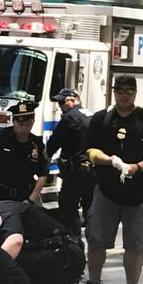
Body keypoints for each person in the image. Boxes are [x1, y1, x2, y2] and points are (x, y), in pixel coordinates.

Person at [82, 75, 143, 284]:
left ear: (135, 93)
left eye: (128, 90)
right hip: (107, 191)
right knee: (96, 239)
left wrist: (137, 167)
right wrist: (108, 160)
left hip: (141, 193)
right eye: (119, 90)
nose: (123, 94)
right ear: (113, 92)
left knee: (135, 244)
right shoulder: (102, 119)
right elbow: (89, 149)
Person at [0, 101, 49, 204]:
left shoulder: (36, 144)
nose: (24, 128)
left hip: (24, 197)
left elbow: (43, 173)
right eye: (21, 124)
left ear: (33, 122)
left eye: (28, 124)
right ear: (13, 122)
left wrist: (31, 199)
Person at [47, 88, 94, 235]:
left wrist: (45, 157)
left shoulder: (69, 118)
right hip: (93, 169)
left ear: (73, 100)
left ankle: (74, 239)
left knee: (68, 205)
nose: (59, 106)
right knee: (90, 205)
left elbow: (54, 142)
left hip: (75, 170)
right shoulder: (91, 115)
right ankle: (94, 237)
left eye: (62, 102)